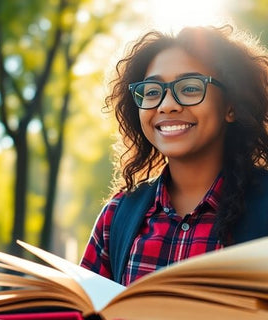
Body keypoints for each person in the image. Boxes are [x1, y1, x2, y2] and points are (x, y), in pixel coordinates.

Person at [80, 24, 268, 286]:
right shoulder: (116, 217)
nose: (167, 105)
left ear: (231, 105)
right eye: (152, 92)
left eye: (190, 88)